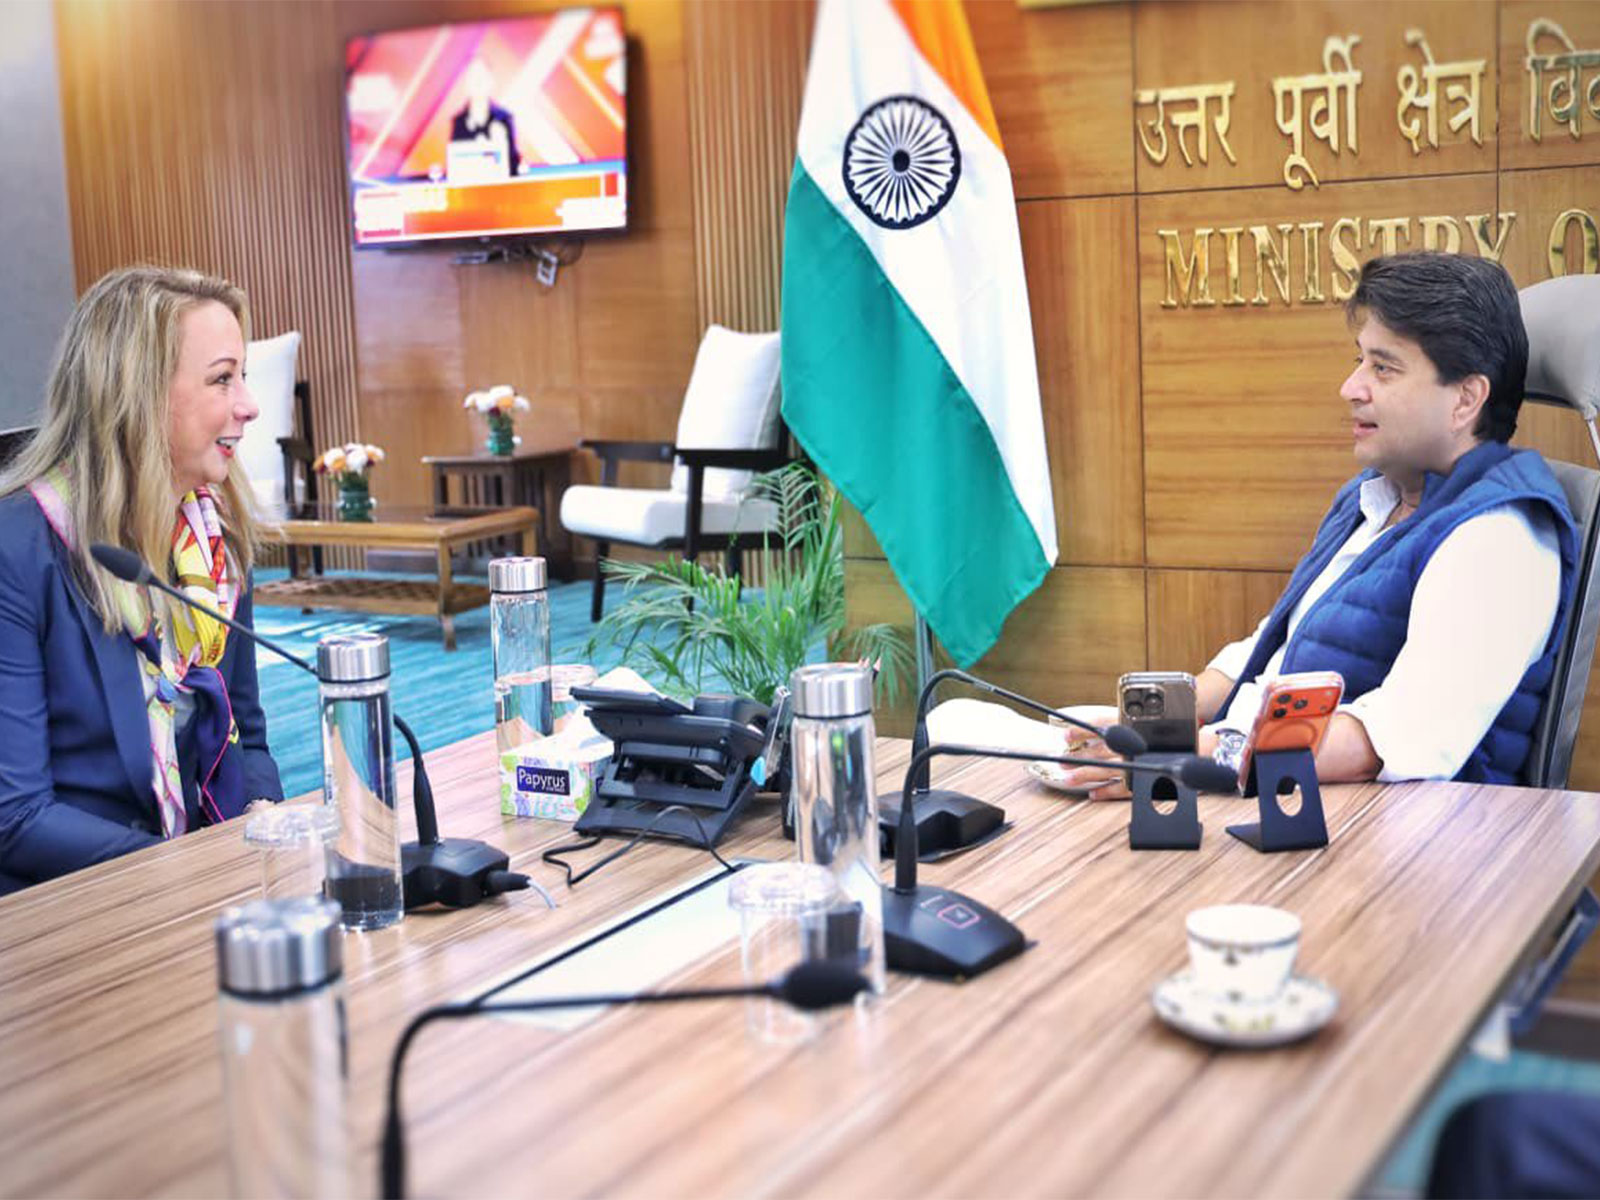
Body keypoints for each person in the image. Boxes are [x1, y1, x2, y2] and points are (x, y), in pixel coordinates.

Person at [1061, 251, 1577, 793]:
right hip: (1268, 790)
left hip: (1386, 843)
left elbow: (1386, 740)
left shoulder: (1499, 538)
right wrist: (1149, 722)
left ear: (1466, 399)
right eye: (1359, 361)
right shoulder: (1372, 499)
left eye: (1383, 367)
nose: (1350, 388)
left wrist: (1185, 756)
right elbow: (1270, 648)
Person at [0, 265, 284, 893]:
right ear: (139, 394)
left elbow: (250, 739)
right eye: (222, 380)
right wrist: (189, 868)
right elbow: (16, 818)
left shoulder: (217, 543)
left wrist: (262, 817)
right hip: (65, 913)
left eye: (244, 377)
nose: (249, 404)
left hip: (199, 887)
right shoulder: (17, 550)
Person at [450, 58, 521, 178]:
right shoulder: (459, 122)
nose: (478, 82)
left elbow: (514, 170)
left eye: (482, 77)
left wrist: (501, 146)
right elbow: (453, 170)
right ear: (466, 85)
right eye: (473, 77)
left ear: (491, 82)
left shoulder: (504, 119)